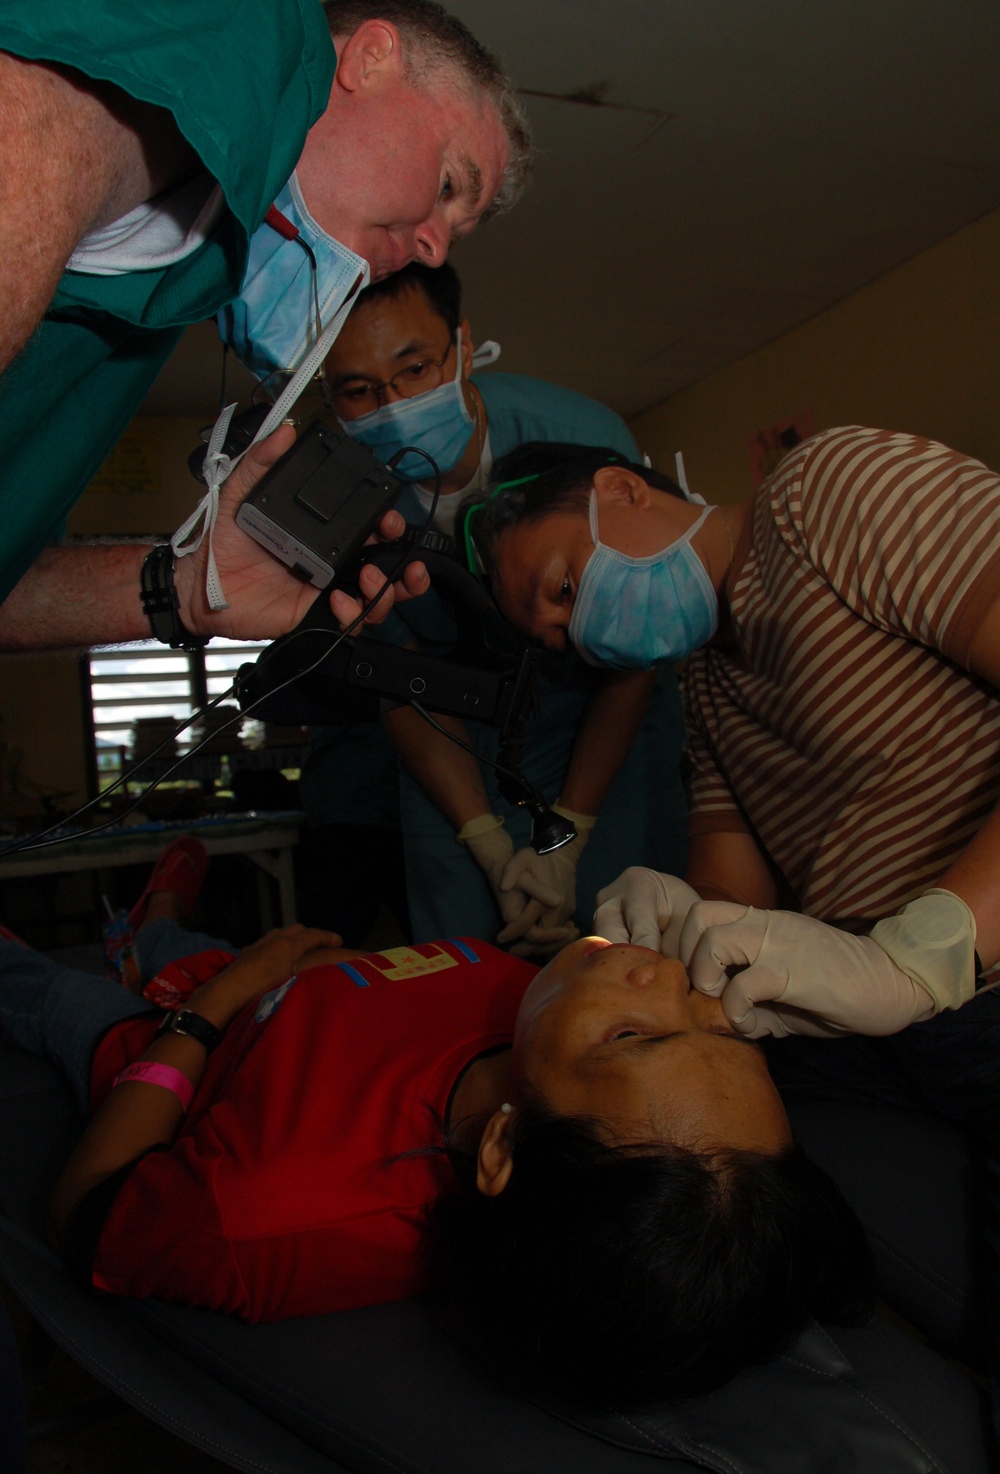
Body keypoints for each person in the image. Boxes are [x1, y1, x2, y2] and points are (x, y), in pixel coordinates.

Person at [469, 423, 1000, 1420]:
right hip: (879, 1008)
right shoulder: (709, 676)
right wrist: (678, 922)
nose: (577, 635)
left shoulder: (833, 493)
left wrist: (931, 949)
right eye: (553, 638)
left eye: (561, 588)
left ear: (620, 491)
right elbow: (730, 892)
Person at [0, 842, 870, 1412]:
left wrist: (212, 1009)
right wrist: (307, 974)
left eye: (633, 1037)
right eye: (717, 1030)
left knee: (46, 991)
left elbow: (86, 1215)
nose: (668, 978)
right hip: (255, 979)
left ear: (502, 1146)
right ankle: (154, 923)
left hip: (163, 1051)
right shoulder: (534, 1024)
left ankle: (132, 942)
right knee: (174, 944)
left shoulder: (272, 1206)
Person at [0, 0, 531, 651]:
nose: (434, 248)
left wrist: (186, 587)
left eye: (457, 230)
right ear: (370, 60)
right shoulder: (245, 7)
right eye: (451, 185)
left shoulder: (161, 297)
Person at [302, 261, 688, 951]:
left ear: (461, 344)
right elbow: (401, 680)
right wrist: (482, 837)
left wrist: (567, 838)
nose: (393, 405)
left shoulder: (582, 443)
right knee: (469, 960)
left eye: (416, 369)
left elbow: (632, 659)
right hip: (450, 743)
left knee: (623, 947)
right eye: (358, 391)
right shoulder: (340, 504)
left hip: (595, 723)